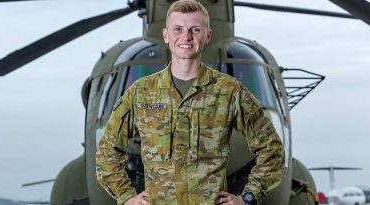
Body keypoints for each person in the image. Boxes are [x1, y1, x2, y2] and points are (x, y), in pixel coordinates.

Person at [96, 0, 284, 205]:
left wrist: (247, 198)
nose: (186, 37)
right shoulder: (141, 93)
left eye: (195, 29)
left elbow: (272, 149)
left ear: (207, 35)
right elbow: (107, 151)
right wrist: (127, 197)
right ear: (166, 35)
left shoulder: (229, 91)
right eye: (178, 29)